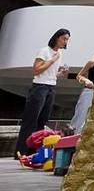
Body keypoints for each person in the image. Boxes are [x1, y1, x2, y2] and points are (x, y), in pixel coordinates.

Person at [15, 28, 70, 158]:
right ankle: (21, 152)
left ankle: (34, 153)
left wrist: (60, 74)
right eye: (64, 38)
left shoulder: (59, 54)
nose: (65, 41)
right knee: (31, 120)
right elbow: (36, 70)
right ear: (57, 37)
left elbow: (50, 74)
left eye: (67, 39)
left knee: (42, 121)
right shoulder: (45, 51)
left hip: (51, 87)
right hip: (39, 87)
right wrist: (52, 60)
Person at [70, 42, 94, 134]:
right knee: (81, 116)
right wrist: (86, 80)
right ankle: (73, 136)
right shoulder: (92, 62)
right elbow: (79, 76)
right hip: (89, 92)